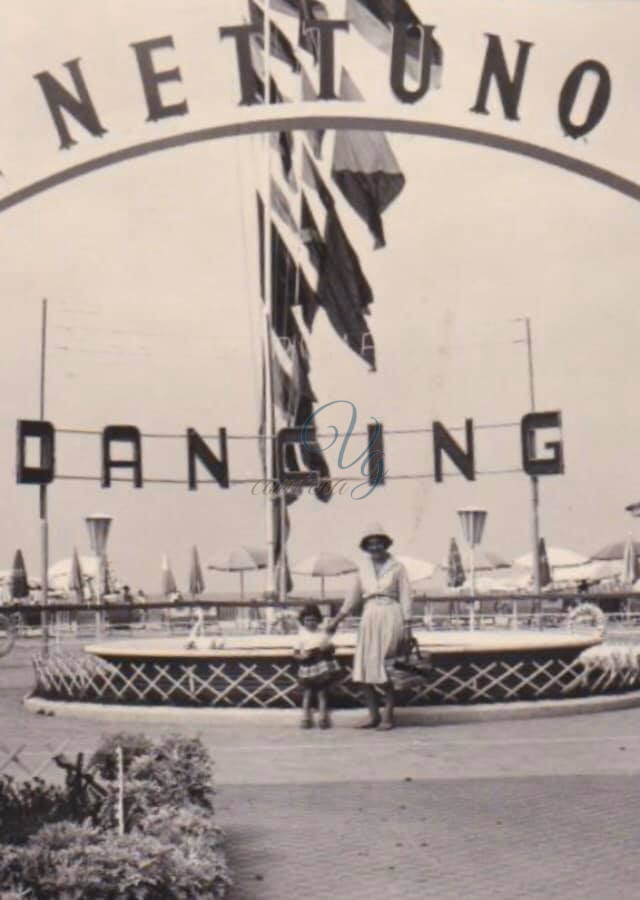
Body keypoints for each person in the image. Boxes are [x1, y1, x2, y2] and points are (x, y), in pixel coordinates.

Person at [329, 523, 411, 731]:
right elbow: (352, 596)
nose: (375, 547)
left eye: (379, 543)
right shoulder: (363, 568)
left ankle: (388, 716)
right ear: (366, 547)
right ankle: (373, 715)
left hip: (391, 614)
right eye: (371, 544)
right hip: (369, 615)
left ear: (385, 544)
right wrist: (337, 620)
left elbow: (406, 596)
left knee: (386, 668)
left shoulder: (397, 567)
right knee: (364, 670)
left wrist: (408, 624)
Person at [293, 603, 341, 729]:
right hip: (308, 666)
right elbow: (295, 653)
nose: (310, 622)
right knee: (307, 693)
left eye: (313, 619)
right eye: (307, 620)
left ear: (319, 620)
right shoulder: (301, 635)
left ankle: (323, 718)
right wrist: (302, 657)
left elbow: (331, 648)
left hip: (321, 666)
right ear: (302, 621)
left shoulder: (322, 633)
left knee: (322, 693)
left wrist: (330, 647)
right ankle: (305, 717)